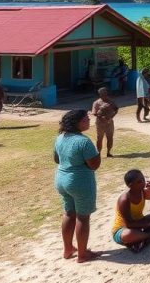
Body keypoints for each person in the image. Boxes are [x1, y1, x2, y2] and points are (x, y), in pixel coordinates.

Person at [54, 109, 101, 263]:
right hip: (79, 182)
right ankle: (82, 254)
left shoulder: (60, 138)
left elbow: (56, 159)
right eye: (86, 119)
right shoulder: (84, 141)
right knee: (83, 217)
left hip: (61, 179)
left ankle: (68, 249)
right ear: (78, 122)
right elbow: (94, 165)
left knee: (68, 213)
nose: (89, 120)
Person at [111, 169, 150, 252]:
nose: (143, 182)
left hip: (140, 223)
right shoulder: (124, 199)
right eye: (139, 182)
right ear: (130, 185)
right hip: (123, 229)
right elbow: (128, 224)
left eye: (143, 179)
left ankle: (143, 238)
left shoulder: (143, 192)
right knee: (129, 234)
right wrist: (146, 225)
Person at [90, 87, 118, 157]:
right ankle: (98, 153)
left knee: (110, 137)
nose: (105, 95)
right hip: (100, 123)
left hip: (109, 123)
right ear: (100, 94)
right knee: (99, 138)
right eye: (103, 94)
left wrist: (111, 117)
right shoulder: (96, 103)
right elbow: (94, 113)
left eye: (106, 93)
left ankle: (108, 152)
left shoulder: (111, 101)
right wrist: (101, 118)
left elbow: (116, 109)